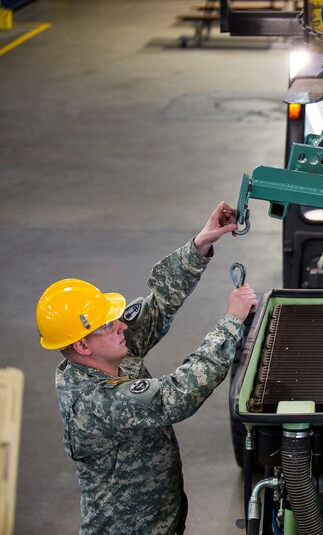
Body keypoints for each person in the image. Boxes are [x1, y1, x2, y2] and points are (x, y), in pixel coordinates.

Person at [35, 201, 258, 535]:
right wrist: (231, 322)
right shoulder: (95, 404)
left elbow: (156, 305)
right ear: (81, 345)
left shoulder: (103, 355)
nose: (120, 327)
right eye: (108, 326)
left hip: (161, 520)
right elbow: (178, 394)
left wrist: (200, 245)